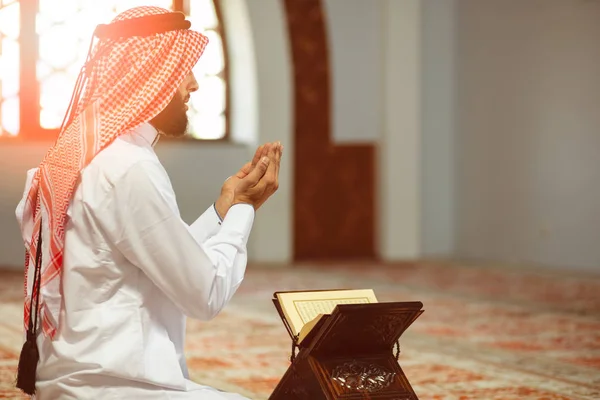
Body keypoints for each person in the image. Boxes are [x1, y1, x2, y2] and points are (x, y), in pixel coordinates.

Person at [14, 6, 282, 399]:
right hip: (114, 388)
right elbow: (204, 294)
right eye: (182, 69)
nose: (192, 84)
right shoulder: (128, 167)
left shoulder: (78, 154)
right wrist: (246, 209)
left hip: (72, 381)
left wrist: (223, 209)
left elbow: (151, 253)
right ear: (148, 75)